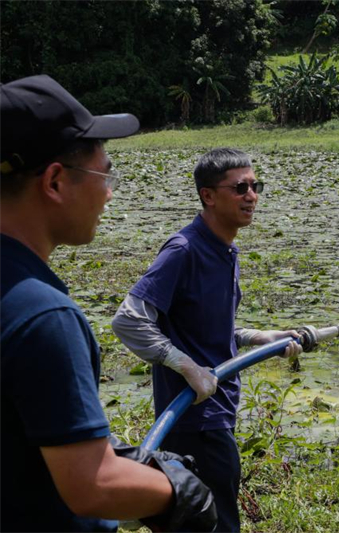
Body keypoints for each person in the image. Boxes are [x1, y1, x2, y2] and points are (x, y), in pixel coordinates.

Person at [1, 75, 217, 532]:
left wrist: (111, 451)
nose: (110, 193)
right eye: (105, 174)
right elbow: (92, 485)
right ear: (55, 182)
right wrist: (180, 493)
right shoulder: (42, 315)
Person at [112, 147, 303, 532]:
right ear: (208, 196)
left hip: (215, 414)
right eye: (240, 188)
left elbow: (205, 326)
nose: (251, 196)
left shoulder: (224, 250)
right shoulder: (185, 250)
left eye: (255, 186)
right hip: (195, 420)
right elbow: (128, 320)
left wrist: (260, 337)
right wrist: (186, 366)